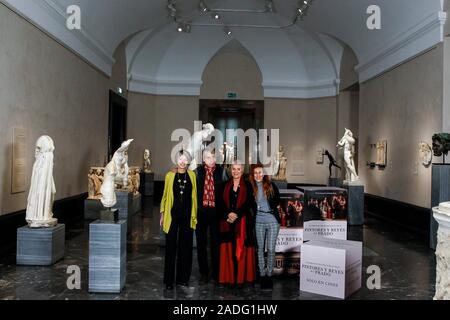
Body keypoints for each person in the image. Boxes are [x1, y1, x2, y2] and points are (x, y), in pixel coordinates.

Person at [160, 151, 197, 290]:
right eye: (180, 159)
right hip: (172, 216)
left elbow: (194, 196)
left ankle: (183, 279)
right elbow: (164, 196)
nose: (182, 161)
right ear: (176, 160)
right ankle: (169, 280)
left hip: (187, 216)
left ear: (188, 161)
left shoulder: (192, 175)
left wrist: (194, 215)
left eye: (185, 159)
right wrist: (162, 214)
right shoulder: (170, 175)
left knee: (185, 248)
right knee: (170, 248)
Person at [218, 162, 256, 287]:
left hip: (243, 222)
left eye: (238, 169)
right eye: (233, 169)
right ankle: (229, 278)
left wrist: (236, 214)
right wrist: (229, 214)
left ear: (242, 170)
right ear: (230, 170)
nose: (235, 171)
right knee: (229, 249)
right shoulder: (224, 185)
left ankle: (240, 279)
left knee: (241, 249)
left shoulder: (248, 186)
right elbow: (221, 203)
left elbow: (249, 203)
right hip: (227, 222)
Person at [195, 150, 228, 284]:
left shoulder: (222, 171)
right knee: (201, 243)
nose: (211, 159)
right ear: (203, 159)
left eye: (213, 156)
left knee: (216, 243)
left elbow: (227, 192)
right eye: (208, 157)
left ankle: (216, 273)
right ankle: (204, 273)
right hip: (201, 212)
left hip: (216, 213)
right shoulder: (197, 172)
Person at [249, 164, 281, 290]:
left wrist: (270, 207)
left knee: (271, 249)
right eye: (255, 173)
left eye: (260, 172)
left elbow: (277, 200)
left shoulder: (271, 186)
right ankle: (262, 276)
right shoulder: (251, 187)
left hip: (272, 221)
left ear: (264, 174)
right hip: (259, 221)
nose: (258, 175)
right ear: (253, 174)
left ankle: (269, 276)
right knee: (260, 250)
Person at [26, 135, 57, 228]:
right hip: (42, 178)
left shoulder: (48, 156)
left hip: (47, 176)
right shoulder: (42, 161)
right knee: (41, 192)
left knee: (52, 191)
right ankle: (38, 216)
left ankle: (45, 214)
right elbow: (39, 184)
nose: (35, 151)